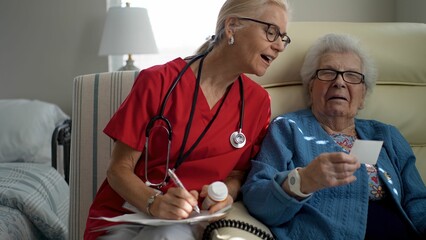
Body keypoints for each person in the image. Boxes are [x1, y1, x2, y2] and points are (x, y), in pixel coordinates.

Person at [84, 0, 291, 239]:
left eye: (283, 38)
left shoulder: (258, 103)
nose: (279, 46)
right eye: (271, 32)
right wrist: (155, 202)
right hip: (126, 213)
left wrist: (226, 194)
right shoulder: (158, 81)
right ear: (233, 26)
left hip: (187, 218)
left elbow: (237, 173)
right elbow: (118, 170)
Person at [241, 33, 426, 240]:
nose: (339, 82)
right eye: (328, 73)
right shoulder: (288, 128)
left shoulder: (387, 135)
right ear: (311, 88)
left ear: (363, 95)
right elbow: (256, 198)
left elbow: (418, 201)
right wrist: (303, 181)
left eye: (352, 76)